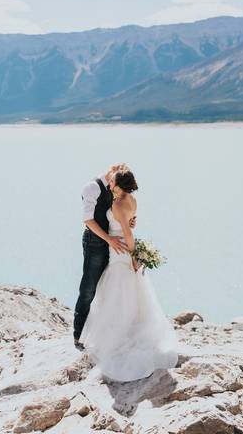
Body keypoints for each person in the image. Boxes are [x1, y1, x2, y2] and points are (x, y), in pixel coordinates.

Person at [78, 168, 180, 382]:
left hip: (120, 252)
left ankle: (118, 336)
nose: (109, 182)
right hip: (119, 249)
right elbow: (130, 220)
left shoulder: (116, 203)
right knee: (130, 293)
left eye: (112, 181)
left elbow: (127, 232)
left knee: (116, 293)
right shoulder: (131, 199)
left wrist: (134, 257)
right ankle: (129, 329)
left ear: (118, 185)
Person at [73, 163, 132, 350]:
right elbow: (88, 220)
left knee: (109, 288)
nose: (116, 184)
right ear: (112, 171)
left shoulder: (114, 188)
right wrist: (109, 239)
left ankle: (105, 333)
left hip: (112, 246)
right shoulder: (92, 187)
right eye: (116, 178)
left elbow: (116, 213)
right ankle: (78, 335)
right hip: (95, 243)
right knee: (89, 288)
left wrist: (128, 220)